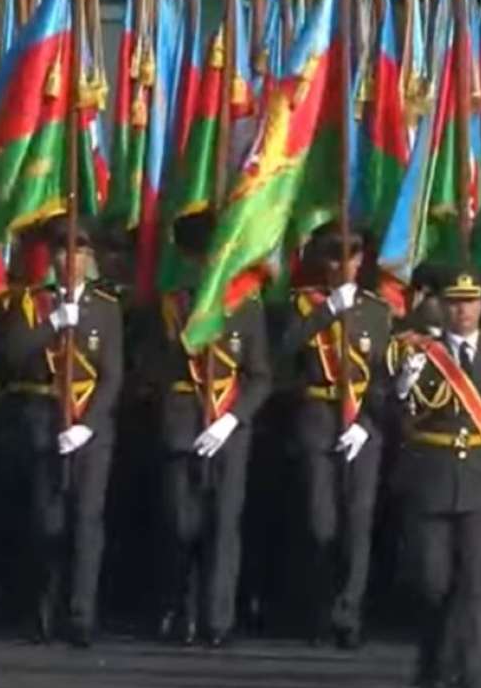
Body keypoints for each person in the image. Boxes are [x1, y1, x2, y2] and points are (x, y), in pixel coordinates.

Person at [386, 267, 481, 688]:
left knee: (475, 583)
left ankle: (470, 682)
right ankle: (432, 666)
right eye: (454, 302)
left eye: (470, 301)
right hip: (431, 476)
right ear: (440, 307)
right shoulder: (415, 353)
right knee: (433, 583)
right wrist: (401, 387)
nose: (462, 310)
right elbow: (388, 416)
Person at [0, 219, 123, 646]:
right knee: (45, 520)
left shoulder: (106, 308)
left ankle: (81, 615)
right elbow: (12, 355)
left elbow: (113, 375)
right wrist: (54, 325)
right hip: (43, 419)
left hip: (90, 429)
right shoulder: (33, 304)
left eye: (81, 253)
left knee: (87, 521)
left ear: (91, 259)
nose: (72, 260)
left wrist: (88, 426)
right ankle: (42, 613)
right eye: (64, 252)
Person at [154, 211, 272, 647]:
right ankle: (176, 610)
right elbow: (153, 365)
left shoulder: (246, 308)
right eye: (200, 258)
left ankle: (216, 620)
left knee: (224, 526)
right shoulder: (173, 305)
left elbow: (260, 375)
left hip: (228, 430)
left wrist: (231, 419)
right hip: (183, 421)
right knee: (179, 524)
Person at [279, 222, 392, 649]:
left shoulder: (377, 312)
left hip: (364, 424)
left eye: (351, 255)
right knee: (320, 520)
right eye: (333, 255)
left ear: (362, 260)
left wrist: (366, 423)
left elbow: (384, 373)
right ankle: (318, 609)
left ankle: (349, 614)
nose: (342, 264)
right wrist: (328, 311)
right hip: (318, 416)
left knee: (358, 523)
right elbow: (285, 349)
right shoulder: (302, 306)